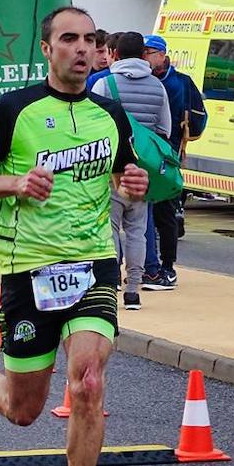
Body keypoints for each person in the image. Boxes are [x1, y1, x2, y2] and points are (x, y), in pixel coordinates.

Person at [0, 6, 148, 466]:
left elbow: (130, 180)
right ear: (48, 49)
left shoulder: (111, 115)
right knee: (23, 410)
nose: (83, 49)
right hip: (28, 267)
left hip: (92, 263)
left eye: (91, 40)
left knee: (87, 382)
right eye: (70, 39)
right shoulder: (15, 109)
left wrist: (133, 182)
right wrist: (15, 180)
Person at [92, 32, 171, 310]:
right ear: (142, 55)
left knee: (110, 228)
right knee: (137, 231)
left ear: (114, 53)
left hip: (111, 170)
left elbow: (93, 127)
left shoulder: (104, 84)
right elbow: (165, 130)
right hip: (142, 171)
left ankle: (111, 282)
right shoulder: (158, 87)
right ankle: (134, 289)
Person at [142, 34, 207, 290]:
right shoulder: (144, 80)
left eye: (150, 52)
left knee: (166, 213)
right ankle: (149, 266)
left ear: (162, 55)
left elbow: (200, 117)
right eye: (143, 52)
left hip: (168, 157)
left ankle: (168, 266)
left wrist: (183, 138)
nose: (145, 57)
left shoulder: (181, 82)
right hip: (143, 156)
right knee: (142, 215)